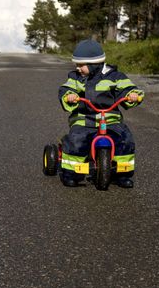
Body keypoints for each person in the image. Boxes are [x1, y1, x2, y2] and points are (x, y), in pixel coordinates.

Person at [58, 39, 144, 188]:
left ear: (94, 64)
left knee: (124, 139)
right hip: (85, 119)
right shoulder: (76, 78)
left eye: (81, 65)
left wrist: (132, 94)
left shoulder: (115, 76)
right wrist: (69, 96)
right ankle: (71, 173)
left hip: (110, 119)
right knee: (76, 140)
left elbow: (127, 87)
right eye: (76, 65)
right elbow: (66, 88)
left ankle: (122, 174)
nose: (78, 68)